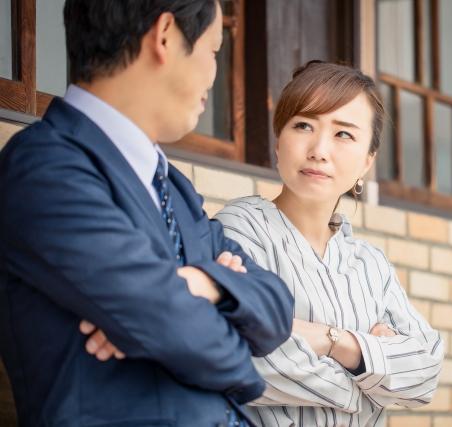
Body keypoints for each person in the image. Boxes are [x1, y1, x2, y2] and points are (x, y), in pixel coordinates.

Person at [0, 0, 293, 426]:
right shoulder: (44, 166)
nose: (214, 73)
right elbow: (165, 319)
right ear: (166, 36)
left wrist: (205, 281)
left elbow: (277, 305)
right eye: (213, 52)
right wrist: (241, 364)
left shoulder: (173, 185)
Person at [214, 61, 445, 426]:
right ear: (278, 141)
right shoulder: (240, 230)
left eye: (343, 134)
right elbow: (241, 356)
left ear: (368, 160)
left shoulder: (371, 263)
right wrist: (367, 382)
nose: (319, 149)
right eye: (303, 125)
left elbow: (425, 372)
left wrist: (332, 341)